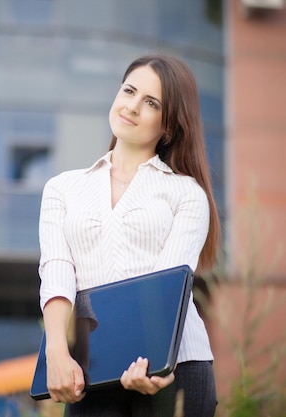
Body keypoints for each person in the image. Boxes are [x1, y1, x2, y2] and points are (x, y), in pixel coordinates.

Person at [38, 54, 220, 417]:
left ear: (168, 125)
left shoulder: (186, 194)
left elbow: (167, 286)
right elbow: (57, 273)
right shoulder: (62, 188)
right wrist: (57, 353)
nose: (133, 106)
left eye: (151, 103)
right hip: (94, 368)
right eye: (129, 91)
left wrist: (154, 359)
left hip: (175, 368)